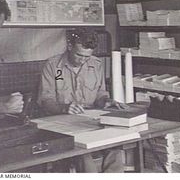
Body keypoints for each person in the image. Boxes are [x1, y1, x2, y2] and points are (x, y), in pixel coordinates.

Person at [38, 28, 126, 173]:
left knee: (116, 146)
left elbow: (100, 94)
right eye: (79, 55)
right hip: (63, 122)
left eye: (87, 56)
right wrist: (64, 108)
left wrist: (106, 101)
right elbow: (46, 100)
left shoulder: (96, 64)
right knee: (82, 152)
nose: (83, 60)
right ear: (70, 46)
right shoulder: (54, 66)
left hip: (90, 120)